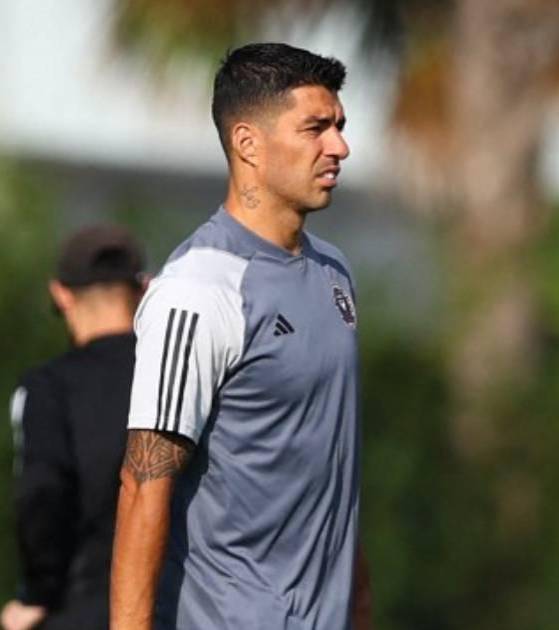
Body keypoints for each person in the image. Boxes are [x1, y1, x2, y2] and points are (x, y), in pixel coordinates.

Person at [110, 43, 371, 630]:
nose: (339, 146)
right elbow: (143, 483)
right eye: (316, 128)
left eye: (339, 126)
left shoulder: (335, 271)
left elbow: (334, 475)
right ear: (248, 143)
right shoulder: (199, 288)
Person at [3, 226, 146, 630]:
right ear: (143, 290)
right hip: (174, 603)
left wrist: (37, 594)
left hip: (82, 608)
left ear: (60, 294)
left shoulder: (49, 388)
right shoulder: (176, 377)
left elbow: (43, 492)